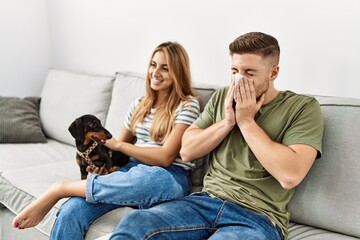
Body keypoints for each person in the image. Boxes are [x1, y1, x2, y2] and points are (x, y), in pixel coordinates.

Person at [108, 32, 324, 240]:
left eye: (249, 73)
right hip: (205, 202)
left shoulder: (302, 107)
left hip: (257, 216)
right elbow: (187, 150)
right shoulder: (222, 96)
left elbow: (290, 175)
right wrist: (228, 122)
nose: (238, 80)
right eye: (234, 71)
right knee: (135, 222)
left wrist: (246, 121)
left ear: (273, 73)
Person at [12, 41, 201, 239]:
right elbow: (117, 154)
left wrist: (119, 145)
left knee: (155, 178)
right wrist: (104, 167)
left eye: (165, 68)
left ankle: (59, 189)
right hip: (129, 172)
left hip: (168, 175)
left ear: (178, 72)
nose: (155, 72)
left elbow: (165, 158)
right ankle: (92, 188)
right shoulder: (139, 104)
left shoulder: (187, 105)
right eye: (153, 65)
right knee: (71, 211)